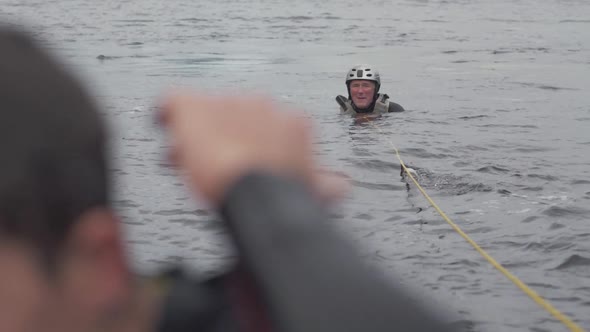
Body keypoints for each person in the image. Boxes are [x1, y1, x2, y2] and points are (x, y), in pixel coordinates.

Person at [0, 27, 457, 332]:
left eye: (366, 88)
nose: (360, 93)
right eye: (355, 87)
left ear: (99, 266)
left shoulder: (390, 116)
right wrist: (275, 202)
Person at [336, 64, 405, 115]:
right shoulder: (343, 114)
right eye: (355, 86)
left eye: (366, 86)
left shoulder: (394, 110)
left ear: (375, 89)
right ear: (349, 90)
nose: (360, 91)